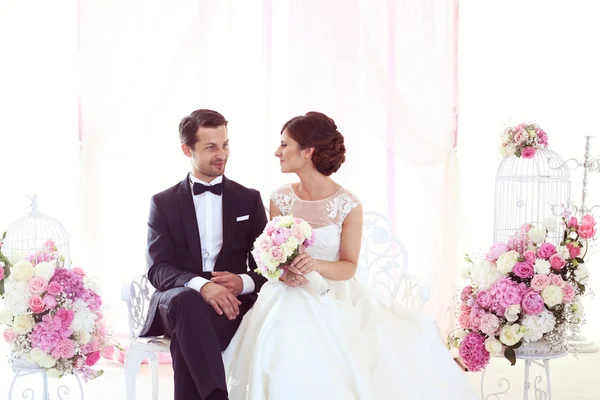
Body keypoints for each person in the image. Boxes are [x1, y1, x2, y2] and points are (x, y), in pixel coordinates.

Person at [222, 111, 478, 399]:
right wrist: (283, 272)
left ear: (307, 151)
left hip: (334, 293)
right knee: (283, 317)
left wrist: (316, 264)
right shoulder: (280, 198)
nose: (277, 152)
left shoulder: (348, 204)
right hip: (286, 291)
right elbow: (272, 256)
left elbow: (349, 267)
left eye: (284, 144)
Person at [139, 109, 268, 400]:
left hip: (231, 305)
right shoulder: (163, 202)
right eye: (211, 147)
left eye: (225, 144)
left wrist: (242, 282)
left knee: (189, 339)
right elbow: (157, 269)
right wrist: (202, 285)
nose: (221, 153)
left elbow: (266, 266)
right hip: (175, 300)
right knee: (188, 302)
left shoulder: (249, 199)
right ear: (187, 149)